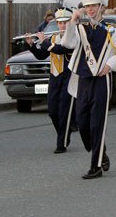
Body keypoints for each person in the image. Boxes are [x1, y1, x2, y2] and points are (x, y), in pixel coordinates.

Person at [60, 0, 116, 179]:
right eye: (87, 6)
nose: (90, 9)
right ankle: (100, 152)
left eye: (93, 5)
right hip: (83, 80)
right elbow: (67, 44)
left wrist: (110, 65)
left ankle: (96, 166)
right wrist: (71, 22)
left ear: (101, 6)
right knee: (82, 123)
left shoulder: (112, 30)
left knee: (97, 123)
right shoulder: (80, 28)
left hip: (101, 81)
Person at [25, 8, 75, 153]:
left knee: (64, 110)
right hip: (54, 76)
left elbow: (60, 50)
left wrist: (45, 41)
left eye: (65, 22)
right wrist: (32, 45)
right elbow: (41, 55)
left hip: (69, 76)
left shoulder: (73, 38)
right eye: (59, 23)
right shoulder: (52, 38)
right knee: (53, 111)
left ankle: (62, 142)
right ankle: (64, 132)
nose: (62, 26)